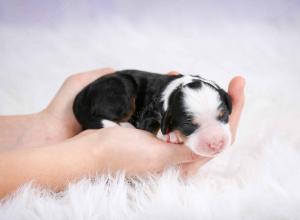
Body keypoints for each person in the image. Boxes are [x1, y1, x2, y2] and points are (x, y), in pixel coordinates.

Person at [0, 68, 245, 198]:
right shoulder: (162, 109)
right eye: (191, 126)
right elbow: (152, 122)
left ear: (226, 105)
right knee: (121, 99)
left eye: (222, 117)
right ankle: (101, 120)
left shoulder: (192, 98)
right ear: (169, 119)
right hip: (113, 91)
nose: (215, 137)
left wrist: (48, 126)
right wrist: (97, 155)